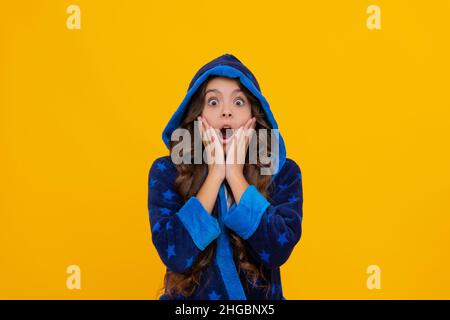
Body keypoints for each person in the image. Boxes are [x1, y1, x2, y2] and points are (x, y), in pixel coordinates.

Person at [147, 54, 303, 300]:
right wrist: (216, 173)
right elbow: (175, 253)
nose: (227, 112)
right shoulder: (166, 171)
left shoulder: (282, 173)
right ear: (196, 114)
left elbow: (276, 250)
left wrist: (234, 174)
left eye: (239, 102)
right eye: (213, 102)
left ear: (255, 115)